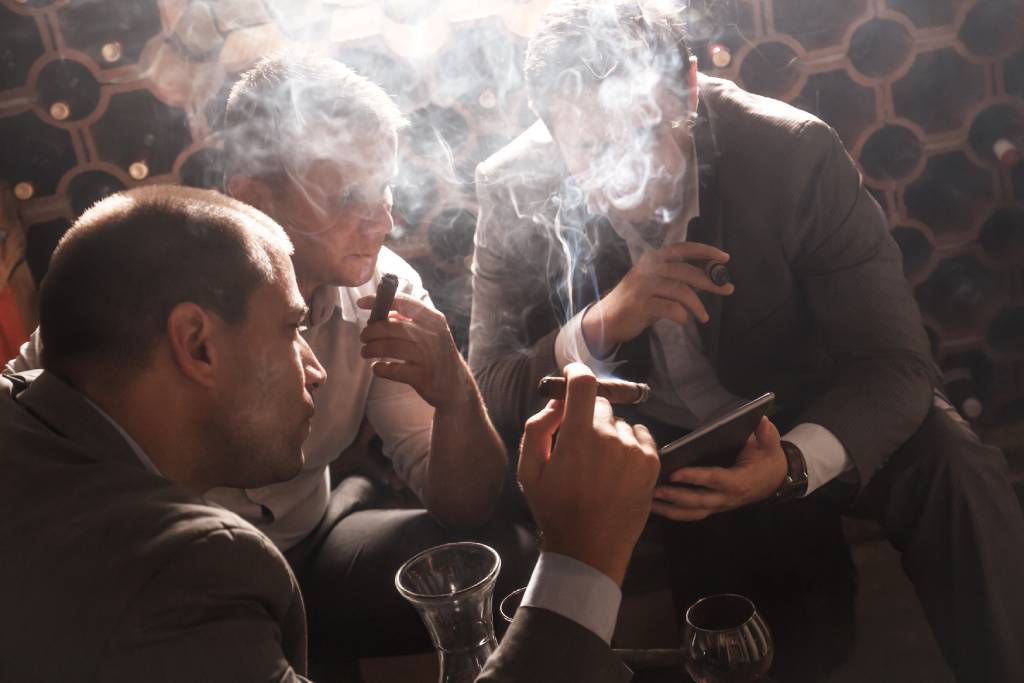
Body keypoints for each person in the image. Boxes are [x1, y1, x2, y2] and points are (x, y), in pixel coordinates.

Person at [469, 1, 1024, 681]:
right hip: (663, 454)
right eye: (590, 150)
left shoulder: (792, 151)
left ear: (691, 90)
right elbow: (490, 387)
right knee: (768, 650)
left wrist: (791, 461)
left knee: (954, 464)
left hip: (806, 409)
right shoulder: (510, 186)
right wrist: (604, 320)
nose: (623, 177)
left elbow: (897, 364)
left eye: (643, 134)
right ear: (552, 134)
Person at [0, 186, 660, 682]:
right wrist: (582, 557)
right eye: (291, 330)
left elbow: (458, 495)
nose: (314, 366)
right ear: (196, 344)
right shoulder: (180, 574)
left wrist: (457, 390)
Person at [6, 53, 530, 673]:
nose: (383, 219)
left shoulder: (383, 292)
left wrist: (455, 395)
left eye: (386, 187)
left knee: (500, 549)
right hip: (166, 563)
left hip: (311, 542)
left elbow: (464, 505)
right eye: (347, 196)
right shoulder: (140, 282)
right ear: (254, 195)